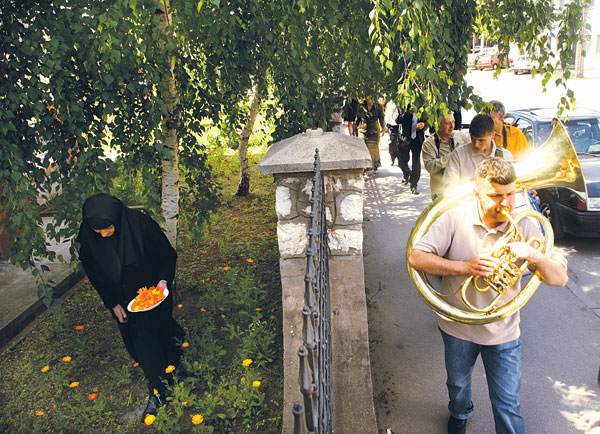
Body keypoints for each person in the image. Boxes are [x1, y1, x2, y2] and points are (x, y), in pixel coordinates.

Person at [408, 157, 568, 434]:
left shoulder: (525, 225)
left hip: (504, 333)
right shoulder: (455, 217)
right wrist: (465, 266)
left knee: (507, 404)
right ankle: (460, 414)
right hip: (458, 328)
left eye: (510, 194)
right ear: (476, 194)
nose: (505, 204)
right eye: (495, 196)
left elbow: (560, 278)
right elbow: (416, 257)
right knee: (457, 387)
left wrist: (534, 256)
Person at [76, 193, 185, 420]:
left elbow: (166, 256)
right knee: (142, 342)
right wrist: (112, 303)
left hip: (153, 293)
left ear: (118, 219)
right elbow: (95, 274)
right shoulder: (88, 237)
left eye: (108, 229)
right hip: (123, 301)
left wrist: (163, 281)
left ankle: (175, 360)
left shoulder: (140, 225)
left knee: (163, 332)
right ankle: (158, 390)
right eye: (99, 233)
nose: (104, 235)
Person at [442, 114, 513, 191]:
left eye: (481, 140)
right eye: (473, 138)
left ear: (493, 135)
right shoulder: (458, 155)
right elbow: (447, 188)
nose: (476, 144)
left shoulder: (505, 156)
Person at [422, 112, 469, 200]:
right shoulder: (429, 143)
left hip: (461, 191)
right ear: (439, 125)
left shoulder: (461, 137)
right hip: (441, 194)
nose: (452, 126)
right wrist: (452, 156)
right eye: (448, 123)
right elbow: (430, 166)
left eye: (453, 122)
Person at [399, 105, 426, 194]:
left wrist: (424, 125)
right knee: (402, 161)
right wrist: (408, 113)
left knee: (416, 161)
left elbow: (428, 120)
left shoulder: (422, 105)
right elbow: (398, 120)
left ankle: (413, 184)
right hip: (405, 138)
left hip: (417, 139)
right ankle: (406, 173)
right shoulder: (403, 104)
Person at [357, 96, 385, 173]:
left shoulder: (378, 106)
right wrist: (355, 127)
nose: (367, 98)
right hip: (363, 130)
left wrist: (383, 128)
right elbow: (358, 118)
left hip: (374, 130)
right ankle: (365, 169)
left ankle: (375, 165)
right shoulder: (361, 105)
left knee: (374, 150)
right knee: (364, 149)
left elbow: (381, 118)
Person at [384, 99, 402, 166]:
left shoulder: (401, 101)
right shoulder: (389, 103)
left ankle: (400, 159)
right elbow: (387, 114)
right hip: (391, 124)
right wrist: (385, 126)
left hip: (400, 124)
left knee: (400, 142)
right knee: (392, 142)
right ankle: (392, 157)